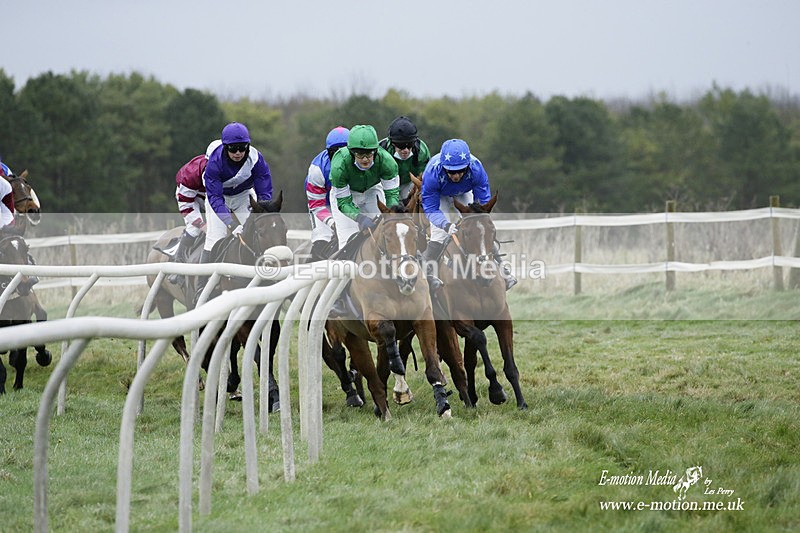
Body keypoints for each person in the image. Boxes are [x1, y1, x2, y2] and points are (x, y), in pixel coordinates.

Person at [420, 138, 517, 290]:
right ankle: (427, 275)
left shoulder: (476, 169)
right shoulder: (432, 174)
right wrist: (445, 225)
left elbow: (483, 204)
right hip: (439, 195)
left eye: (460, 171)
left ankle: (504, 269)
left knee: (479, 228)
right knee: (439, 234)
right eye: (451, 171)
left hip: (463, 192)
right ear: (443, 167)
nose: (456, 176)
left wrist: (479, 219)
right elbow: (431, 207)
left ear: (467, 166)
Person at [194, 122, 273, 303]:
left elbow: (264, 190)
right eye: (233, 149)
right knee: (215, 238)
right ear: (225, 147)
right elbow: (214, 198)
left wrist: (262, 211)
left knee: (262, 230)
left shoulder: (256, 159)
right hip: (219, 199)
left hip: (243, 196)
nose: (238, 153)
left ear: (248, 146)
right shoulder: (214, 163)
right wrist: (231, 223)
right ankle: (201, 286)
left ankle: (268, 276)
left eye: (242, 148)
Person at [329, 124, 401, 248]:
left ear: (376, 150)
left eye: (369, 153)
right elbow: (344, 203)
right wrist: (359, 218)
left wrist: (391, 216)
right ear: (351, 152)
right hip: (347, 196)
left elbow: (392, 196)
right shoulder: (339, 166)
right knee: (348, 243)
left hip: (372, 191)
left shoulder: (388, 162)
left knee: (385, 234)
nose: (365, 159)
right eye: (359, 154)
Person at [167, 139, 221, 285]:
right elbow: (186, 206)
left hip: (213, 195)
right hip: (191, 197)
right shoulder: (190, 175)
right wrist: (203, 226)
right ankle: (177, 267)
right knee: (195, 229)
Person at [304, 126, 349, 261]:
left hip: (347, 203)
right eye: (335, 152)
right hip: (323, 205)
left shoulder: (360, 163)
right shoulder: (317, 169)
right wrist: (332, 223)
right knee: (322, 239)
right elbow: (317, 205)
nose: (339, 157)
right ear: (327, 151)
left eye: (344, 151)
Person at [378, 116, 431, 200]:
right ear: (392, 143)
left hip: (409, 183)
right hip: (386, 182)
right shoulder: (381, 150)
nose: (406, 150)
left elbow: (423, 177)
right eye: (401, 145)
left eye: (410, 145)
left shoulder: (421, 150)